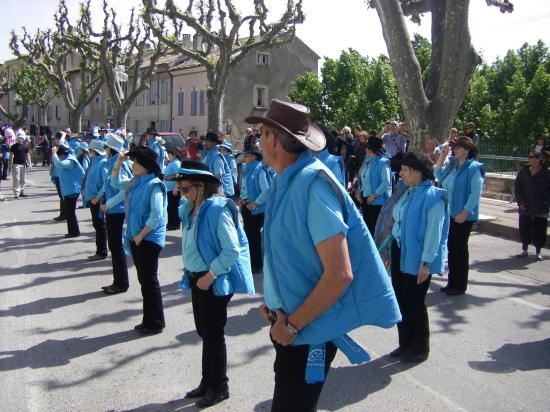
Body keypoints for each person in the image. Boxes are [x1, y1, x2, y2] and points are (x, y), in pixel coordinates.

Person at [245, 99, 400, 411]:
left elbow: (340, 273)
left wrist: (291, 325)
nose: (257, 140)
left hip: (305, 329)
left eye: (261, 133)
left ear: (273, 137)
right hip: (291, 324)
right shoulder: (285, 181)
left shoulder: (313, 185)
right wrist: (275, 304)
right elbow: (292, 256)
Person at [176, 160, 254, 408]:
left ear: (201, 186)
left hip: (211, 280)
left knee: (213, 334)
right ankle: (207, 381)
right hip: (196, 277)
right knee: (205, 332)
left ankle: (220, 386)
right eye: (180, 189)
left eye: (186, 189)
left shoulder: (217, 210)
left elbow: (231, 250)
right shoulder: (192, 208)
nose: (182, 193)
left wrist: (210, 276)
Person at [385, 152, 449, 363]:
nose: (400, 173)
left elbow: (434, 234)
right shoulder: (406, 192)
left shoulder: (434, 197)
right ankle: (405, 343)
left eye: (404, 170)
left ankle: (420, 348)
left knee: (414, 302)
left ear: (417, 172)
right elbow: (396, 224)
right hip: (400, 252)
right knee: (401, 300)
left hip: (418, 258)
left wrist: (426, 263)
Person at [111, 146, 167, 334]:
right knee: (144, 281)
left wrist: (142, 235)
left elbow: (157, 215)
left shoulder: (154, 184)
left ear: (146, 166)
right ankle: (148, 319)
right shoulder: (136, 181)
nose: (133, 164)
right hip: (137, 237)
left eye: (136, 162)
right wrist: (118, 164)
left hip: (148, 238)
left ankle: (156, 322)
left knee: (149, 281)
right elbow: (115, 183)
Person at [435, 136, 484, 295]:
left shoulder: (474, 168)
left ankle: (460, 285)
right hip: (449, 213)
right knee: (452, 248)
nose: (455, 149)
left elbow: (475, 193)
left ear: (467, 150)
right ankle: (452, 283)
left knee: (460, 249)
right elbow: (438, 174)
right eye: (455, 147)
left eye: (459, 147)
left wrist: (465, 212)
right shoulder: (452, 165)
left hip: (463, 215)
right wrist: (442, 156)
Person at [93, 133, 133, 295]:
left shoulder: (119, 163)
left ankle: (121, 283)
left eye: (105, 147)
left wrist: (108, 204)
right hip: (113, 209)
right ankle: (118, 281)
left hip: (116, 210)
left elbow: (124, 189)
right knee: (115, 247)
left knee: (116, 248)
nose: (105, 149)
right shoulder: (113, 162)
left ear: (109, 148)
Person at [514, 150, 550, 261]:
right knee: (524, 228)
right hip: (526, 205)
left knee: (540, 229)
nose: (531, 159)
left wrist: (545, 202)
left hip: (541, 206)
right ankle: (524, 249)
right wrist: (520, 202)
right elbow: (518, 188)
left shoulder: (546, 172)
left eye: (534, 157)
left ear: (540, 159)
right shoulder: (523, 171)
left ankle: (538, 252)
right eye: (529, 157)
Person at [239, 147, 270, 273]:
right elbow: (245, 188)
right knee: (248, 236)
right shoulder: (247, 169)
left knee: (254, 237)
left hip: (256, 209)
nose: (244, 158)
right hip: (247, 207)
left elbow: (267, 191)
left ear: (254, 157)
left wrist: (255, 203)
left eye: (246, 155)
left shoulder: (259, 170)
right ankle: (250, 262)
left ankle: (256, 265)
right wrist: (242, 199)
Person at [356, 136, 392, 236]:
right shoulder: (367, 160)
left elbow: (386, 183)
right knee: (367, 228)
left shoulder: (383, 162)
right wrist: (359, 192)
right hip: (365, 199)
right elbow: (362, 178)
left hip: (377, 202)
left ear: (370, 149)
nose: (365, 148)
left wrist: (374, 196)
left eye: (366, 147)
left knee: (374, 230)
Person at [83, 140, 109, 261]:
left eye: (90, 150)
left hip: (97, 200)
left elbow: (106, 184)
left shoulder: (102, 163)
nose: (89, 152)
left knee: (99, 226)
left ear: (94, 151)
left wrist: (97, 197)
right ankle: (100, 250)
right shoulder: (95, 162)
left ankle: (101, 251)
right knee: (97, 225)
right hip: (93, 199)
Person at [51, 144, 85, 238]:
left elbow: (59, 164)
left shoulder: (70, 161)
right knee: (69, 213)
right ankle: (73, 231)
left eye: (59, 155)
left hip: (72, 191)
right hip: (68, 190)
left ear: (62, 154)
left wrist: (54, 154)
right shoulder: (68, 158)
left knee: (70, 213)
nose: (58, 157)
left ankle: (74, 232)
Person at [201, 132, 234, 197]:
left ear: (215, 143)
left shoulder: (216, 156)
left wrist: (210, 191)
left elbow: (218, 176)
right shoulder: (209, 154)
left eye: (208, 141)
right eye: (205, 141)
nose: (205, 143)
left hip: (217, 192)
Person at [164, 148, 182, 230]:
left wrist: (176, 187)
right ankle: (172, 223)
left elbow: (179, 175)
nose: (168, 156)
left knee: (173, 208)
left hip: (173, 189)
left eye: (169, 154)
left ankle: (173, 224)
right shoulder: (172, 162)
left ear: (174, 154)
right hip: (170, 189)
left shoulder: (175, 163)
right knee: (171, 207)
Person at [9, 132, 32, 199]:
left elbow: (28, 155)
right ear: (17, 138)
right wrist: (10, 167)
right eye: (19, 138)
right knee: (16, 179)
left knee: (23, 179)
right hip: (16, 164)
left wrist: (30, 164)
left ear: (23, 139)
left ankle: (21, 191)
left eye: (21, 138)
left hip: (23, 165)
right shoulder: (13, 147)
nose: (20, 139)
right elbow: (11, 157)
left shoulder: (25, 146)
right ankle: (16, 194)